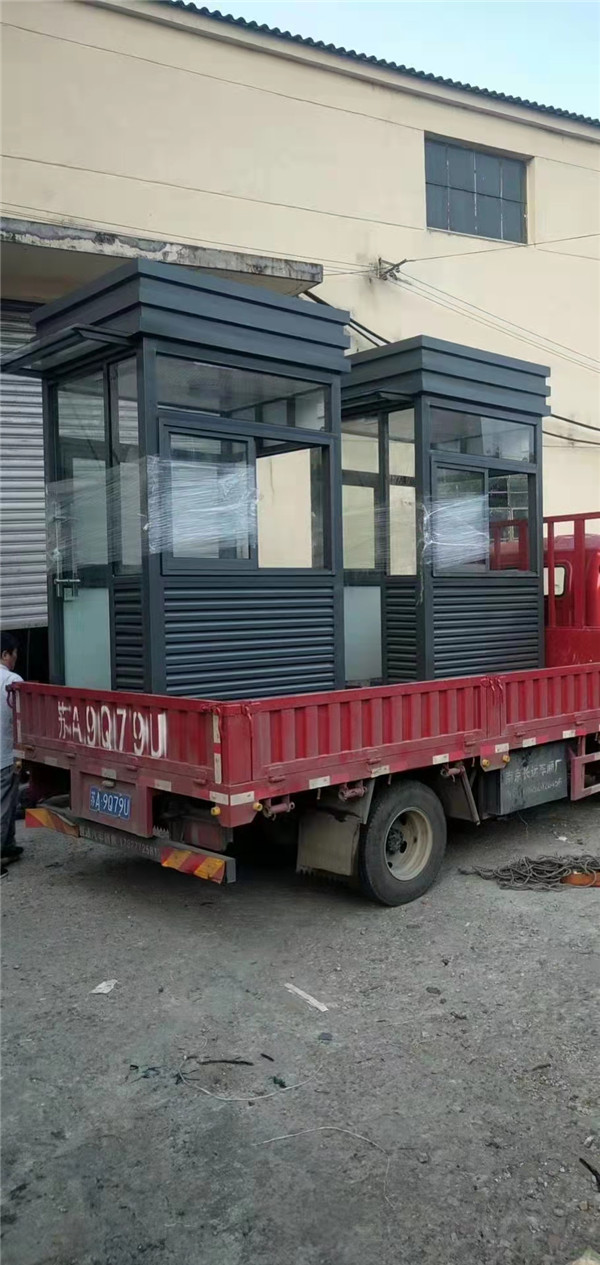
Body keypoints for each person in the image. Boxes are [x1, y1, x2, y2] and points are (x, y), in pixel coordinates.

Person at [1, 632, 24, 874]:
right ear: (5, 654)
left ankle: (8, 846)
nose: (16, 659)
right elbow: (18, 717)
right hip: (5, 753)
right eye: (14, 654)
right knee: (4, 806)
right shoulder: (12, 680)